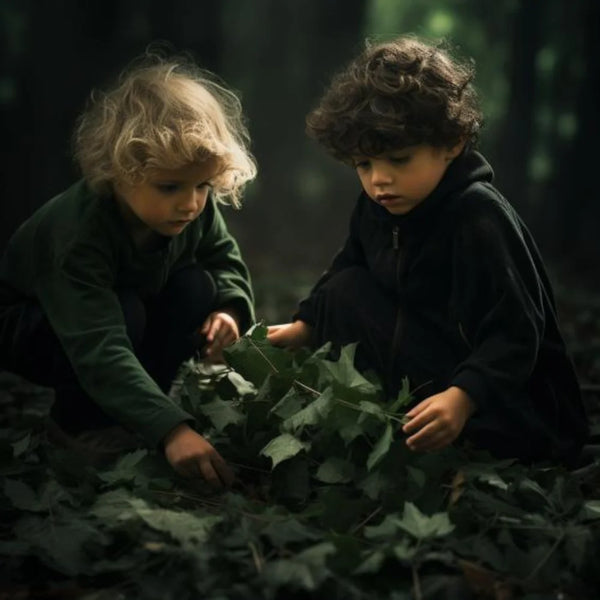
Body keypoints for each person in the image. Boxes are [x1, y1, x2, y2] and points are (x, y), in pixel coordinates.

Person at [268, 35, 588, 464]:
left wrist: (464, 396)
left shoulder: (478, 217)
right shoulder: (377, 205)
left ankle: (465, 439)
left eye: (399, 160)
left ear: (452, 143)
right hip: (428, 371)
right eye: (365, 165)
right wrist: (307, 324)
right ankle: (392, 423)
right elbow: (350, 264)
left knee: (494, 434)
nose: (379, 179)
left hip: (514, 407)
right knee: (345, 288)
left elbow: (515, 332)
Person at [0, 53, 257, 486]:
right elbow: (97, 344)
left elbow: (222, 258)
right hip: (39, 327)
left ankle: (141, 411)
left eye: (202, 186)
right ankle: (77, 424)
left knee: (197, 286)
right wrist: (174, 432)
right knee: (125, 312)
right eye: (170, 186)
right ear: (120, 171)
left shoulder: (194, 209)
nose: (191, 203)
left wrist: (230, 308)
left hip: (121, 311)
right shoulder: (78, 234)